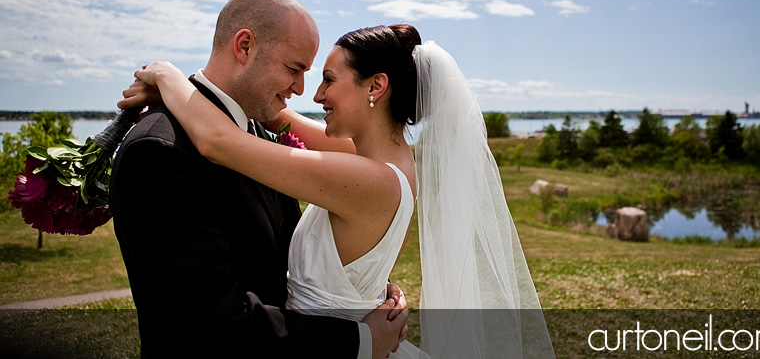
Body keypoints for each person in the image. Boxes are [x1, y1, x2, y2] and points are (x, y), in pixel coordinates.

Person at [122, 22, 556, 358]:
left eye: (329, 79)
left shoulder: (370, 180)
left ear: (376, 86)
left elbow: (219, 141)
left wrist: (165, 74)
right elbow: (272, 116)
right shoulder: (381, 158)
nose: (316, 93)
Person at [109, 0, 408, 359]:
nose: (303, 89)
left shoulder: (258, 137)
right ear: (245, 47)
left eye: (319, 76)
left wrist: (363, 291)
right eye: (293, 68)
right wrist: (361, 339)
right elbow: (211, 328)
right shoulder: (159, 153)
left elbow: (286, 263)